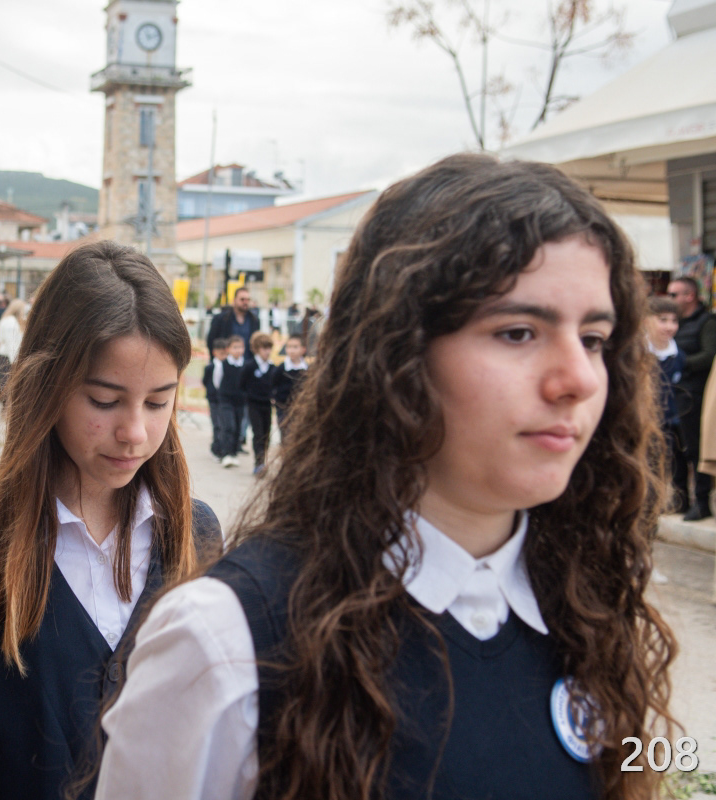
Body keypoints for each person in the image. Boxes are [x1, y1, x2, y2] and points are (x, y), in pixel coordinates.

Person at [94, 154, 679, 800]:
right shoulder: (227, 642)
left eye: (594, 339)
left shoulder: (588, 604)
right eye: (518, 332)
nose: (579, 379)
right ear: (396, 353)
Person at [0, 241, 221, 800]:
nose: (134, 432)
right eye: (104, 401)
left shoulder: (198, 536)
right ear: (47, 385)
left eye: (158, 402)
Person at [666, 275, 716, 520]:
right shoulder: (674, 323)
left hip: (696, 396)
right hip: (673, 395)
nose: (670, 299)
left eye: (673, 294)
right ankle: (680, 499)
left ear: (690, 296)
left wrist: (680, 363)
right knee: (674, 448)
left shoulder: (707, 322)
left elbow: (709, 355)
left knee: (696, 450)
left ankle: (702, 502)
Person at [646, 296, 686, 512]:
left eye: (674, 320)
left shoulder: (678, 356)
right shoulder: (635, 353)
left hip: (668, 423)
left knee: (663, 469)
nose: (669, 326)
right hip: (640, 424)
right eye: (662, 320)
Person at [240, 331, 276, 476]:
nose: (267, 352)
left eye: (269, 348)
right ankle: (259, 462)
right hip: (254, 405)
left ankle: (263, 460)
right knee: (258, 433)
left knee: (267, 434)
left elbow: (275, 386)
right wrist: (248, 397)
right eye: (263, 348)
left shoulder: (272, 367)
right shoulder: (250, 366)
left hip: (267, 405)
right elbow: (241, 385)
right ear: (256, 349)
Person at [216, 336, 246, 468]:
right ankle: (226, 453)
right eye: (235, 347)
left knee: (238, 427)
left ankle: (233, 453)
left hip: (240, 401)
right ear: (228, 349)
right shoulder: (222, 364)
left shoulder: (245, 365)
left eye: (240, 347)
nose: (238, 350)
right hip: (226, 400)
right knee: (228, 426)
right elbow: (217, 381)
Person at [271, 333, 308, 437]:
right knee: (286, 434)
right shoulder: (281, 368)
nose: (292, 350)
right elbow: (273, 384)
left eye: (295, 347)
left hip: (301, 407)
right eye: (289, 347)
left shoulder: (307, 369)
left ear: (303, 349)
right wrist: (274, 399)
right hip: (283, 407)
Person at [206, 286, 260, 356]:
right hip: (226, 360)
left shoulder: (254, 320)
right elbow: (211, 341)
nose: (245, 302)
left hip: (247, 361)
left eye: (248, 300)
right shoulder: (221, 319)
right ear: (234, 300)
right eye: (242, 299)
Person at [0, 298, 27, 403]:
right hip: (8, 355)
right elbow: (10, 342)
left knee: (5, 380)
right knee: (7, 382)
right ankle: (5, 404)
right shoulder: (10, 322)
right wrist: (15, 360)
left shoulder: (7, 320)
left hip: (6, 354)